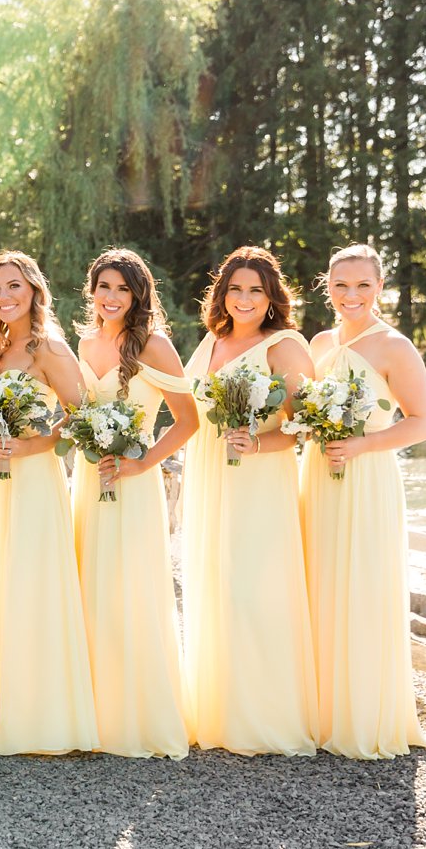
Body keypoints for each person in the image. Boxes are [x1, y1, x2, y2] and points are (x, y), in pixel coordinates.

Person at [182, 246, 318, 756]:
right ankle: (218, 714)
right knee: (216, 585)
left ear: (271, 297)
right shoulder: (212, 341)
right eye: (235, 288)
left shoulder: (284, 346)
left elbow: (308, 424)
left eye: (255, 290)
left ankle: (265, 716)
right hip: (211, 477)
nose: (244, 299)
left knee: (254, 591)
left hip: (260, 481)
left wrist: (260, 442)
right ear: (222, 294)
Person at [302, 243, 426, 759]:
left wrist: (360, 444)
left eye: (362, 285)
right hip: (318, 474)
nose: (350, 295)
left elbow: (423, 422)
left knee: (362, 587)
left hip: (367, 476)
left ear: (379, 287)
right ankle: (319, 712)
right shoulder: (318, 343)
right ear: (327, 287)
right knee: (319, 582)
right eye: (340, 285)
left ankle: (363, 716)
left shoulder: (395, 346)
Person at [73, 248, 198, 759]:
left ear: (138, 294)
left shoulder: (154, 345)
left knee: (131, 587)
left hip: (133, 480)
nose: (111, 297)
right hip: (86, 479)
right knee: (87, 586)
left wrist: (142, 463)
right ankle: (91, 713)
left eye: (122, 289)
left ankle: (137, 716)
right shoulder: (79, 343)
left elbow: (188, 422)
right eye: (104, 286)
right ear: (91, 290)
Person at [0, 253, 99, 755]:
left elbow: (81, 415)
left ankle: (46, 715)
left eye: (15, 286)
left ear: (33, 291)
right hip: (1, 480)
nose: (5, 296)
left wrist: (33, 445)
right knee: (6, 582)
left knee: (35, 583)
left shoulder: (49, 347)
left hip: (35, 478)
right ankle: (10, 708)